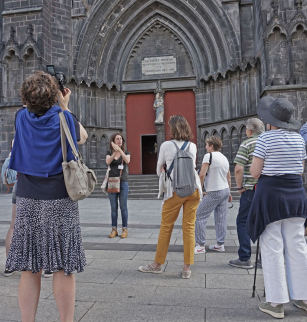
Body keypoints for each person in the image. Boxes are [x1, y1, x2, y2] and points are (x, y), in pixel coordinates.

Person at [5, 71, 88, 322]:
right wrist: (64, 105)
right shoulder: (64, 117)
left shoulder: (20, 117)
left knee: (30, 268)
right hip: (60, 198)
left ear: (26, 99)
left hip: (28, 198)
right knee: (63, 267)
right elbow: (82, 137)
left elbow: (30, 107)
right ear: (54, 94)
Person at [247, 96, 307, 319]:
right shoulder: (299, 140)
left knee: (272, 246)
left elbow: (254, 172)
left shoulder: (265, 139)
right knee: (298, 245)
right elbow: (299, 170)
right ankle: (303, 298)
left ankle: (277, 302)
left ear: (271, 120)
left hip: (271, 195)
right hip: (296, 195)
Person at [138, 115, 202, 279]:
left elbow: (159, 168)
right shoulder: (192, 146)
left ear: (173, 129)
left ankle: (157, 264)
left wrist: (165, 171)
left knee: (166, 227)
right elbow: (193, 167)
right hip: (193, 190)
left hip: (175, 191)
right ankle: (187, 268)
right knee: (189, 228)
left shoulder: (167, 145)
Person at [229, 118, 265, 269]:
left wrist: (239, 187)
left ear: (250, 131)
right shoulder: (268, 142)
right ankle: (264, 259)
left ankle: (245, 258)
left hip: (251, 190)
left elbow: (238, 169)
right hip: (267, 190)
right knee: (266, 223)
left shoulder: (247, 143)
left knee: (242, 222)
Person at [194, 136, 232, 254]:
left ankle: (200, 245)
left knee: (199, 216)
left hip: (214, 191)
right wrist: (229, 192)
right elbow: (229, 177)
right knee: (221, 218)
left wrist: (199, 191)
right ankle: (220, 244)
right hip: (225, 189)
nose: (205, 147)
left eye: (207, 145)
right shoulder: (224, 158)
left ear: (211, 146)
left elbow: (202, 174)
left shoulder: (208, 156)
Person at [106, 133, 130, 238]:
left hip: (123, 182)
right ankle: (114, 229)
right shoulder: (109, 153)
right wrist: (114, 152)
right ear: (113, 141)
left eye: (121, 139)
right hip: (112, 182)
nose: (119, 140)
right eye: (117, 139)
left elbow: (127, 160)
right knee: (113, 208)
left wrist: (120, 150)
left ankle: (124, 229)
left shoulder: (126, 152)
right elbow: (108, 161)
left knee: (123, 207)